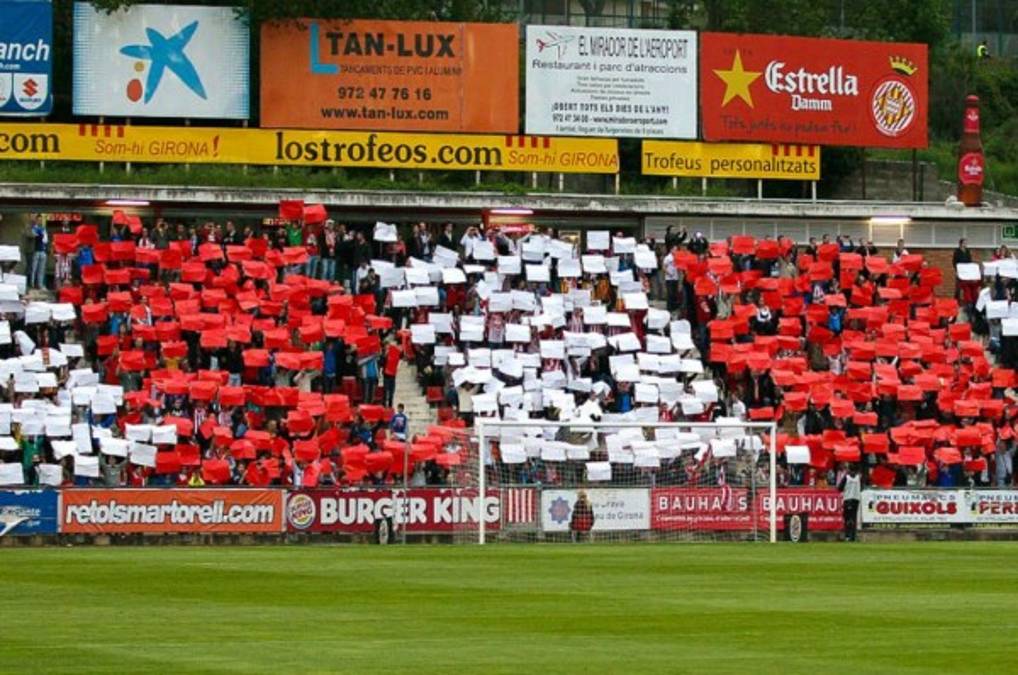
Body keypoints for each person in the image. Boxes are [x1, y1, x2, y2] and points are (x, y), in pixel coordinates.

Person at [837, 464, 861, 542]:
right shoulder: (859, 477)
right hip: (856, 499)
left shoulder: (846, 477)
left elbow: (839, 488)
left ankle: (847, 536)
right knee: (853, 518)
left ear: (849, 470)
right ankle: (853, 536)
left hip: (848, 499)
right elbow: (862, 487)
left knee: (847, 518)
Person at [30, 215, 48, 289]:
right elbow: (35, 235)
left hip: (43, 251)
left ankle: (40, 285)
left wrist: (42, 234)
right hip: (36, 251)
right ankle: (32, 284)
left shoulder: (43, 229)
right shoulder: (34, 228)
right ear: (36, 220)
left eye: (41, 220)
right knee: (33, 269)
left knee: (41, 270)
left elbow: (46, 240)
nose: (40, 221)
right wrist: (41, 234)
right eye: (38, 220)